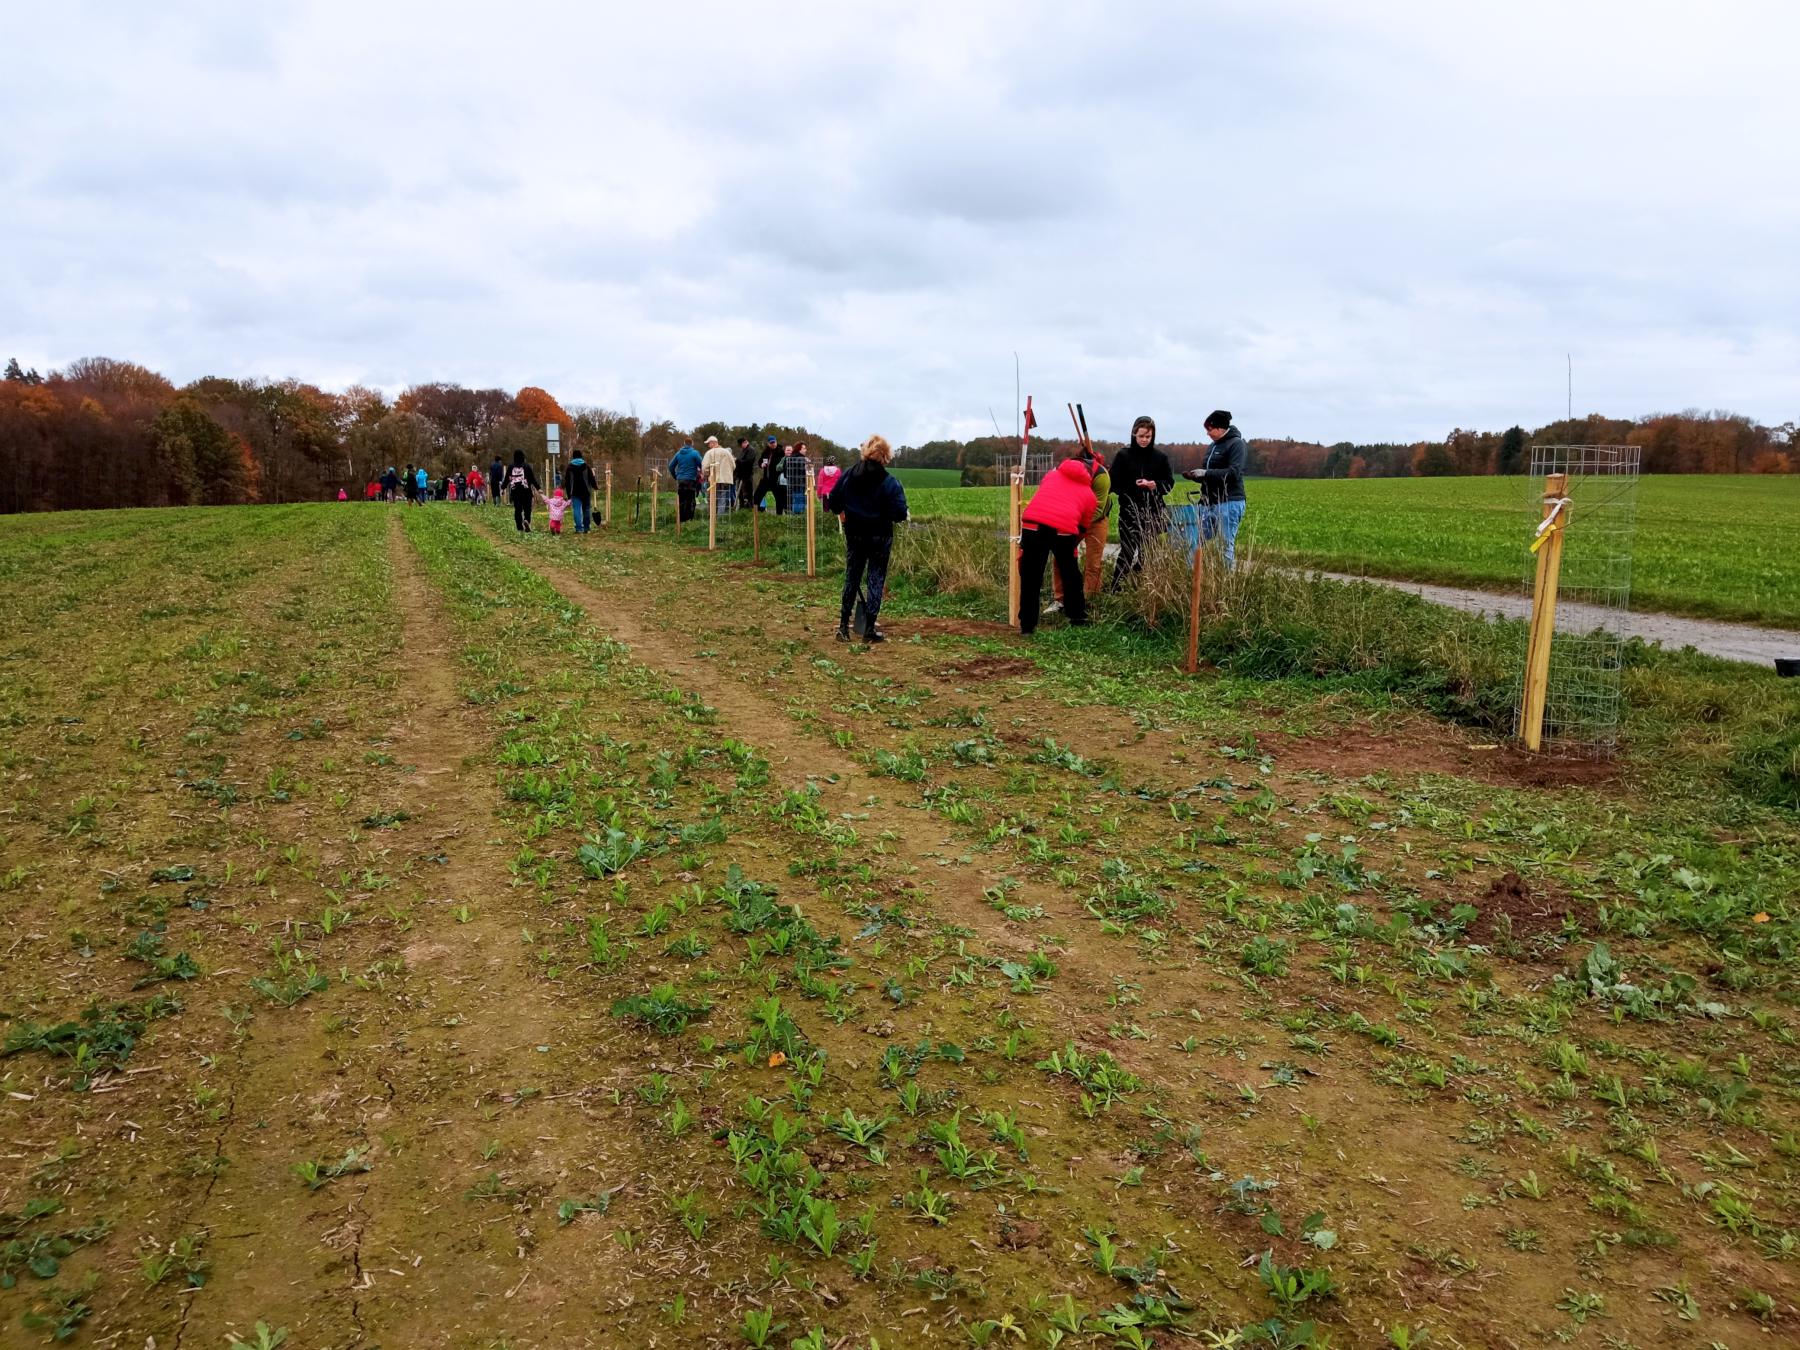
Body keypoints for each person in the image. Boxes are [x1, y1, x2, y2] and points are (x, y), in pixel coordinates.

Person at [825, 435, 908, 643]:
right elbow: (899, 513)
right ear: (885, 455)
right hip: (880, 535)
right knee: (875, 578)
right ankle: (870, 628)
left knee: (852, 576)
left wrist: (844, 512)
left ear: (866, 452)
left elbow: (833, 501)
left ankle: (844, 626)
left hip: (854, 533)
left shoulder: (849, 475)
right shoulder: (890, 482)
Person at [1019, 455, 1098, 635]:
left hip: (1032, 524)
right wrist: (1071, 545)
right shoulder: (1089, 495)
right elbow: (1083, 527)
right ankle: (1077, 616)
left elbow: (1045, 496)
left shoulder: (1052, 475)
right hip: (1063, 530)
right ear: (1089, 475)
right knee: (1070, 574)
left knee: (1031, 576)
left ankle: (1027, 625)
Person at [1107, 415, 1173, 588]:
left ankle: (1140, 586)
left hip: (1153, 511)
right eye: (1141, 436)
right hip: (1129, 511)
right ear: (1134, 434)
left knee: (1147, 553)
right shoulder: (1123, 455)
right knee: (1127, 551)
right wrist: (1131, 486)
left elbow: (1169, 483)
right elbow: (1113, 483)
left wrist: (1155, 485)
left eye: (1148, 437)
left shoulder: (1160, 457)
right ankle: (1116, 588)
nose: (1144, 440)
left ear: (1153, 436)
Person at [1183, 410, 1248, 569]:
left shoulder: (1236, 444)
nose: (1207, 433)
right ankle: (1191, 576)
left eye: (1210, 429)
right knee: (1195, 539)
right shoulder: (1213, 446)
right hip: (1207, 502)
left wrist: (1205, 473)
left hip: (1229, 502)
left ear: (1220, 428)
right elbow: (1211, 475)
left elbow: (1234, 473)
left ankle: (1225, 581)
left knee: (1224, 544)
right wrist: (1196, 476)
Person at [1052, 439, 1111, 605]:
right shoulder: (1064, 474)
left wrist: (1079, 527)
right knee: (1060, 556)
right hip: (1072, 518)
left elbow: (1098, 509)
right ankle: (1060, 600)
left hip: (1097, 520)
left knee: (1093, 563)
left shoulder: (1101, 476)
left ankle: (1087, 601)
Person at [503, 450, 540, 531]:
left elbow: (506, 479)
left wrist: (503, 487)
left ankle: (519, 527)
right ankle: (527, 521)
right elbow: (532, 479)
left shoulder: (511, 467)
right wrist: (538, 488)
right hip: (526, 492)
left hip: (515, 492)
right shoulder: (527, 466)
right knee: (527, 509)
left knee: (518, 509)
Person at [563, 449, 597, 532]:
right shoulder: (586, 466)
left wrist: (568, 494)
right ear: (581, 456)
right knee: (586, 509)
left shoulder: (569, 467)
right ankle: (587, 527)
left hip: (574, 492)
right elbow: (591, 478)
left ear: (573, 457)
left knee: (577, 509)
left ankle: (579, 528)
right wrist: (595, 486)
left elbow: (567, 482)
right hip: (586, 491)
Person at [668, 441, 703, 522]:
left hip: (680, 480)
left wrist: (675, 476)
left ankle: (681, 519)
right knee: (690, 500)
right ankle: (689, 519)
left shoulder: (678, 454)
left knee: (681, 500)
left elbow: (670, 466)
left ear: (684, 444)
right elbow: (701, 464)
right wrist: (700, 472)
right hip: (691, 480)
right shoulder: (695, 453)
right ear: (692, 444)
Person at [701, 435, 736, 511]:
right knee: (722, 499)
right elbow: (733, 465)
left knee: (712, 498)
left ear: (713, 443)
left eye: (709, 444)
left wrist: (707, 474)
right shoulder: (727, 452)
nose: (708, 446)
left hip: (713, 480)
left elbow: (704, 467)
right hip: (726, 480)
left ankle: (713, 517)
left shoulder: (709, 453)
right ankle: (721, 517)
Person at [755, 435, 785, 513]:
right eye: (771, 443)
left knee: (779, 498)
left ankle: (779, 515)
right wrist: (761, 464)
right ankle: (756, 512)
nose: (773, 444)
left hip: (776, 479)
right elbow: (760, 461)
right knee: (757, 495)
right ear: (768, 443)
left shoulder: (781, 452)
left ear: (776, 442)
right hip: (766, 478)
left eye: (774, 442)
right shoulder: (765, 452)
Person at [782, 442, 810, 514]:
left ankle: (795, 516)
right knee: (800, 501)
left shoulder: (789, 458)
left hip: (791, 484)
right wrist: (807, 464)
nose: (805, 450)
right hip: (799, 484)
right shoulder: (802, 459)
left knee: (794, 501)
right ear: (799, 450)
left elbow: (785, 473)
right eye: (804, 448)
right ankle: (799, 516)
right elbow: (805, 470)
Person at [734, 436, 757, 510]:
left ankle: (749, 508)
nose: (741, 446)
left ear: (745, 442)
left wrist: (737, 460)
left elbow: (748, 462)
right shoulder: (743, 450)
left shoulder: (751, 450)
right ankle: (742, 507)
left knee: (747, 494)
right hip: (741, 475)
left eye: (742, 444)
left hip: (747, 476)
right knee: (740, 493)